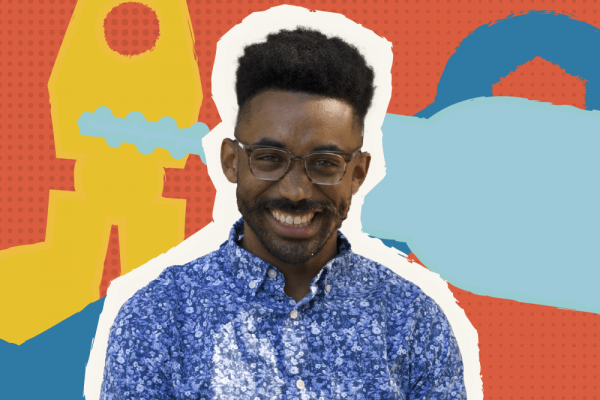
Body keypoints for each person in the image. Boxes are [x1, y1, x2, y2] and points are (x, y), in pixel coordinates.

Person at [100, 27, 466, 400]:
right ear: (231, 162)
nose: (296, 191)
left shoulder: (412, 322)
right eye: (270, 159)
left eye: (325, 163)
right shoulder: (156, 319)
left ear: (357, 173)